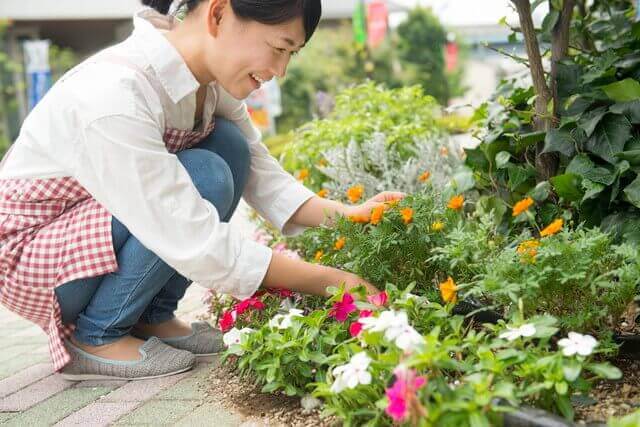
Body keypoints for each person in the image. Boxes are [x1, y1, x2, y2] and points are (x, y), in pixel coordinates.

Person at [0, 0, 404, 381]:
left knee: (229, 145)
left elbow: (264, 175)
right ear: (218, 14)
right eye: (279, 47)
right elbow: (188, 233)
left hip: (95, 229)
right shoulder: (115, 92)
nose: (280, 70)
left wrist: (348, 214)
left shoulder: (209, 85)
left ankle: (151, 316)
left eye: (291, 54)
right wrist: (334, 282)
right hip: (36, 256)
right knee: (205, 173)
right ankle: (96, 335)